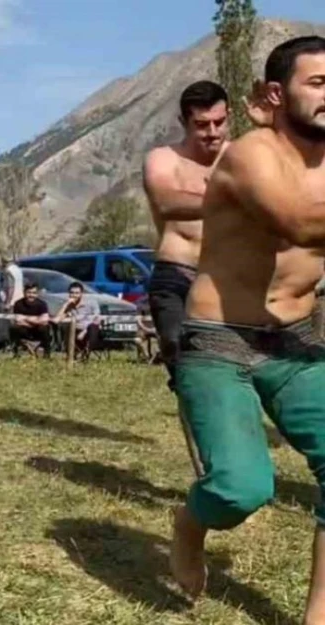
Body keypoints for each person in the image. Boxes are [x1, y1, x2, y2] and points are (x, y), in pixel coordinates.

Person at [168, 37, 325, 623]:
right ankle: (189, 523)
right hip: (219, 341)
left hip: (297, 342)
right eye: (319, 83)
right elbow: (300, 222)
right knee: (240, 489)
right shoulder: (251, 155)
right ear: (279, 95)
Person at [142, 80, 230, 389]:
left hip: (227, 278)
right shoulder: (163, 158)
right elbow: (167, 202)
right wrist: (233, 199)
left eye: (220, 122)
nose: (212, 132)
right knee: (184, 367)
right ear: (183, 122)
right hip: (175, 274)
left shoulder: (243, 158)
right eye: (202, 124)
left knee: (227, 371)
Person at [54, 282, 101, 359]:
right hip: (75, 330)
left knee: (93, 327)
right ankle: (72, 354)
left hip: (89, 330)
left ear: (81, 293)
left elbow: (97, 319)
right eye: (72, 293)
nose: (74, 295)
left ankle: (86, 352)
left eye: (77, 293)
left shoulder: (91, 303)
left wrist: (84, 332)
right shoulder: (69, 306)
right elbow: (56, 320)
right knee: (67, 327)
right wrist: (65, 305)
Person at [9, 282, 52, 357]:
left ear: (37, 294)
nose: (31, 295)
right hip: (25, 329)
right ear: (24, 292)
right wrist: (37, 320)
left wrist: (25, 318)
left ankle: (47, 354)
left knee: (44, 328)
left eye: (34, 293)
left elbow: (45, 320)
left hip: (37, 330)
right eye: (29, 292)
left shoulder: (42, 304)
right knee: (14, 328)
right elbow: (18, 321)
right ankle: (15, 352)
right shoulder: (18, 304)